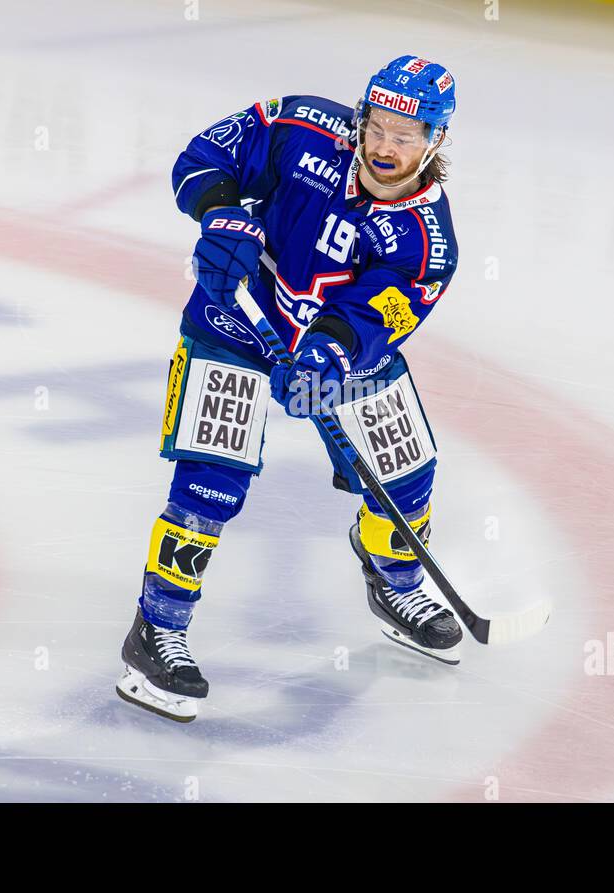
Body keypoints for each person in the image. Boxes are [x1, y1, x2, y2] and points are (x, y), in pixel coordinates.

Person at [117, 56, 461, 722]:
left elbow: (379, 313)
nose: (387, 147)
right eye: (379, 127)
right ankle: (156, 630)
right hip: (231, 322)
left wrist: (328, 355)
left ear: (435, 141)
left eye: (407, 135)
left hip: (335, 353)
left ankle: (395, 581)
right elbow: (200, 158)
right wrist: (221, 214)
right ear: (361, 117)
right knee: (210, 482)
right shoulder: (298, 126)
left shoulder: (428, 239)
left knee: (404, 470)